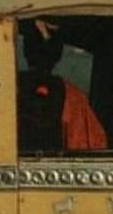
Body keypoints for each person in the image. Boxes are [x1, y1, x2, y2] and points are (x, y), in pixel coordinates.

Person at [18, 20, 107, 152]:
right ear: (57, 54)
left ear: (26, 51)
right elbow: (93, 146)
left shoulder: (4, 89)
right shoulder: (74, 97)